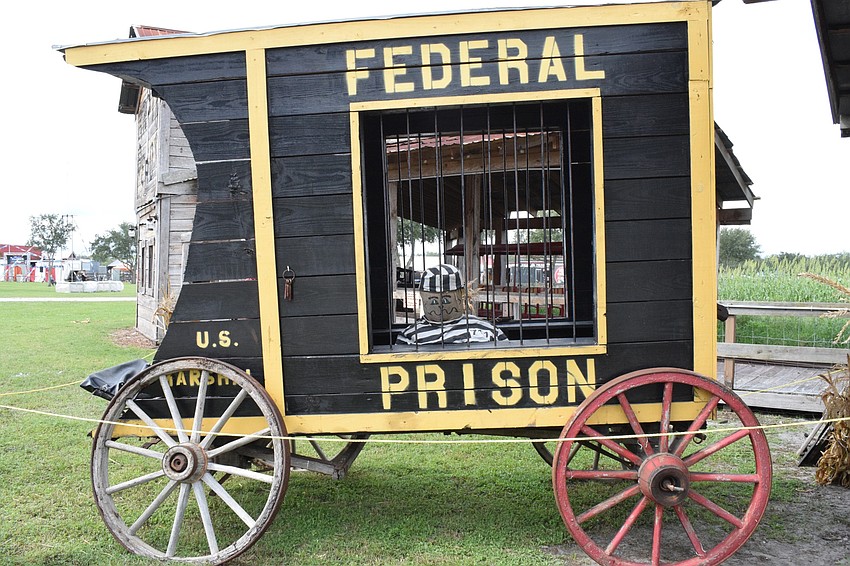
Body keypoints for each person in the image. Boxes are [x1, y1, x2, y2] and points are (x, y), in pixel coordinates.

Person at [396, 264, 507, 345]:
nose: (440, 306)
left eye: (446, 300)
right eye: (433, 301)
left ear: (461, 296)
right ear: (423, 297)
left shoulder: (486, 329)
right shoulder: (410, 335)